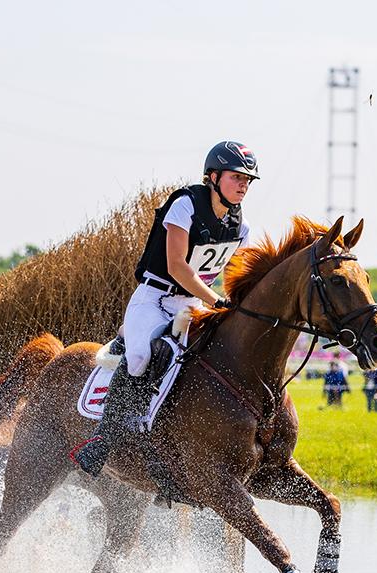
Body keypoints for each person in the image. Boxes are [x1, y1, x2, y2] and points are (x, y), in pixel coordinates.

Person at [72, 141, 257, 475]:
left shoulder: (240, 228)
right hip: (154, 299)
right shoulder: (185, 205)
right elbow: (177, 267)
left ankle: (179, 445)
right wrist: (216, 302)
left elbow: (231, 276)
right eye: (236, 177)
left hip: (192, 305)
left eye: (248, 180)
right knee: (142, 356)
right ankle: (103, 439)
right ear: (213, 177)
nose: (243, 185)